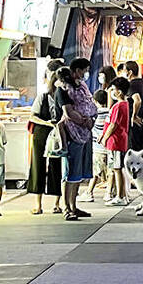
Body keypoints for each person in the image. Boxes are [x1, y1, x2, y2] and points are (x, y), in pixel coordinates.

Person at [55, 59, 97, 220]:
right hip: (73, 134)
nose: (85, 74)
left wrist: (90, 120)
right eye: (84, 70)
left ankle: (74, 205)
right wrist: (83, 120)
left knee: (79, 174)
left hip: (85, 133)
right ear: (76, 70)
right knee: (70, 172)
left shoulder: (82, 87)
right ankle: (67, 208)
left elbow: (90, 103)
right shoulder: (63, 90)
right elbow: (68, 112)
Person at [27, 59, 64, 215]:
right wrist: (48, 123)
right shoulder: (42, 97)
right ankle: (38, 204)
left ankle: (56, 203)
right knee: (38, 166)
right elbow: (32, 116)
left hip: (57, 134)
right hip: (42, 133)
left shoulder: (64, 97)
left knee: (57, 167)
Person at [79, 65, 115, 203]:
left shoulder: (96, 114)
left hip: (98, 147)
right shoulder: (109, 112)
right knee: (111, 169)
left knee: (96, 172)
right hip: (109, 145)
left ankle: (89, 192)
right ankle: (108, 193)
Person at [101, 77, 130, 205]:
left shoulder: (119, 106)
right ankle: (122, 194)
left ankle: (120, 196)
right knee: (116, 168)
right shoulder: (123, 105)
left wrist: (105, 137)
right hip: (116, 140)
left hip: (116, 141)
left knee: (117, 168)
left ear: (119, 92)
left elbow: (113, 124)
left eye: (113, 89)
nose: (112, 92)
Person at [126, 61, 143, 151]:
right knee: (142, 146)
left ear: (130, 72)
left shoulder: (131, 84)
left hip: (135, 121)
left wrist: (134, 116)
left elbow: (137, 100)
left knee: (134, 147)